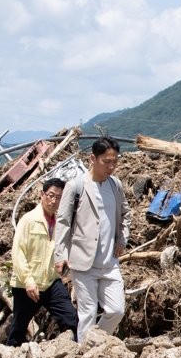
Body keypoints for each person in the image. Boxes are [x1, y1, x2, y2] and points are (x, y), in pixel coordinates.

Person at [55, 138, 130, 340]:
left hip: (109, 262)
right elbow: (62, 222)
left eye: (115, 161)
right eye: (106, 161)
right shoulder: (76, 186)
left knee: (116, 310)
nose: (111, 166)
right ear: (92, 158)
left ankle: (95, 344)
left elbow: (125, 214)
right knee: (87, 313)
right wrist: (60, 255)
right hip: (83, 261)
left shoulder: (116, 185)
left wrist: (122, 239)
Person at [7, 178, 78, 345]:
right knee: (19, 328)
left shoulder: (61, 222)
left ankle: (73, 356)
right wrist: (28, 280)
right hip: (27, 285)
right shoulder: (29, 220)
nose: (53, 201)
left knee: (71, 320)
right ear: (42, 195)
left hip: (51, 282)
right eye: (50, 195)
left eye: (59, 197)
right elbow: (18, 253)